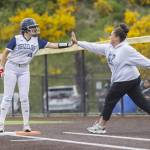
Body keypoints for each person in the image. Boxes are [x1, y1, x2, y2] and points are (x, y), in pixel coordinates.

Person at [71, 23, 150, 134]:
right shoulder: (109, 47)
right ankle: (100, 125)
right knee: (141, 102)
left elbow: (145, 62)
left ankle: (101, 126)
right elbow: (93, 46)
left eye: (111, 35)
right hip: (126, 79)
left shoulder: (126, 49)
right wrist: (78, 42)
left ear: (117, 38)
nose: (109, 37)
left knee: (109, 100)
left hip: (126, 80)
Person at [0, 18, 73, 132]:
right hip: (11, 67)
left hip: (24, 69)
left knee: (24, 98)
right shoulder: (16, 39)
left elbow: (54, 45)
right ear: (25, 29)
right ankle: (1, 124)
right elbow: (5, 53)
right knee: (7, 97)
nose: (34, 29)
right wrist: (1, 67)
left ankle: (26, 125)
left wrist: (69, 44)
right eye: (32, 27)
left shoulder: (37, 41)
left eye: (34, 27)